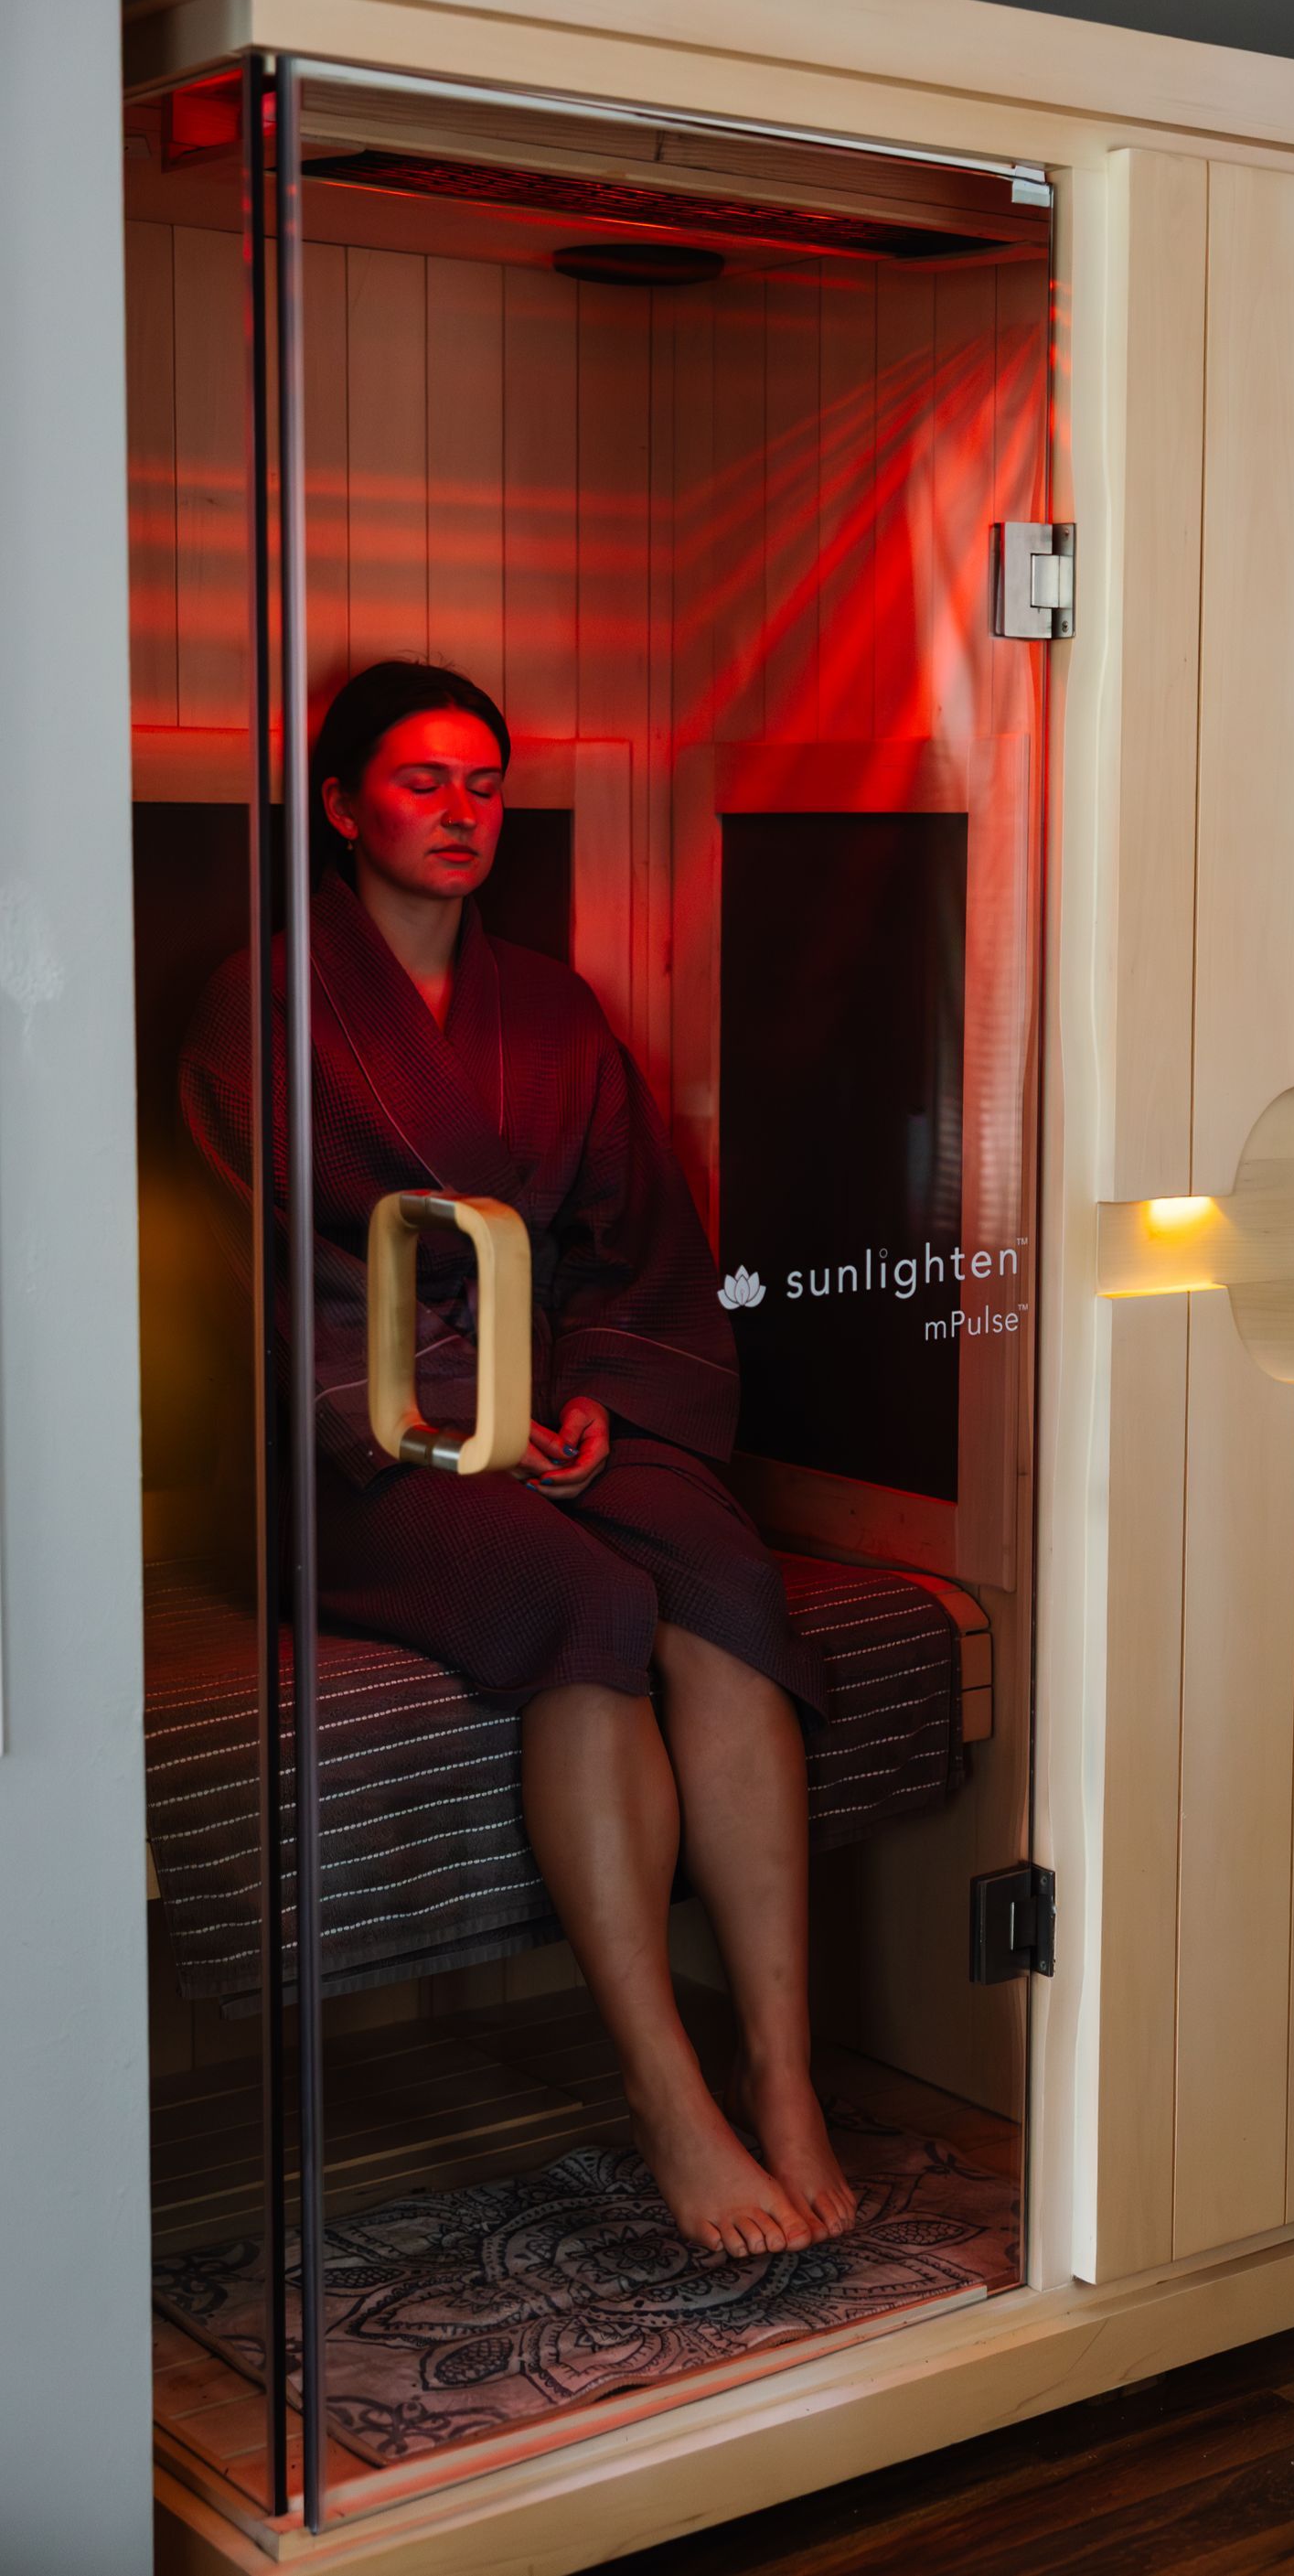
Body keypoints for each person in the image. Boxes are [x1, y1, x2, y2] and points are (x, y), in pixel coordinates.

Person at [180, 659, 855, 2262]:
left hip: (551, 1408)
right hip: (360, 1450)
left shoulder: (551, 1007)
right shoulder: (261, 1001)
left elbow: (640, 1247)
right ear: (342, 807)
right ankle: (665, 2088)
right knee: (584, 1599)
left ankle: (783, 2071)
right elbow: (256, 1272)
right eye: (422, 781)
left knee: (725, 1577)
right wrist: (437, 1421)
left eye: (484, 784)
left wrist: (604, 1398)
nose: (462, 811)